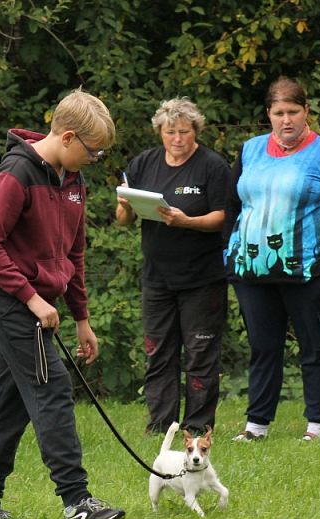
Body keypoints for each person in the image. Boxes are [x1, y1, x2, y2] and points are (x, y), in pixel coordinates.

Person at [0, 89, 125, 519]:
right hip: (3, 292)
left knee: (10, 402)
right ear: (68, 136)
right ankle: (77, 502)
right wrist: (32, 298)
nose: (94, 159)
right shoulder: (15, 174)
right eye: (92, 151)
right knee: (50, 387)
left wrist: (82, 319)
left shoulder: (73, 182)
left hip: (39, 300)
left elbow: (73, 255)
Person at [223, 77, 320, 442]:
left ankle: (317, 425)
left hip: (308, 272)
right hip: (253, 272)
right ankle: (256, 426)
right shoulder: (249, 150)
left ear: (306, 112)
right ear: (268, 114)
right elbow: (232, 206)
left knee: (315, 348)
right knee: (263, 349)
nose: (286, 120)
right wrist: (229, 253)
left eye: (293, 112)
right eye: (279, 112)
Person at [116, 98, 230, 435]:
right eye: (170, 132)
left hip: (202, 278)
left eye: (184, 132)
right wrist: (124, 206)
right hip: (157, 278)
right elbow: (123, 219)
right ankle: (161, 424)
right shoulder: (143, 164)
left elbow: (224, 217)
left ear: (196, 131)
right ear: (160, 133)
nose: (177, 139)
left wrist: (187, 221)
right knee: (159, 353)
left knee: (200, 353)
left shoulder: (212, 166)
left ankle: (197, 427)